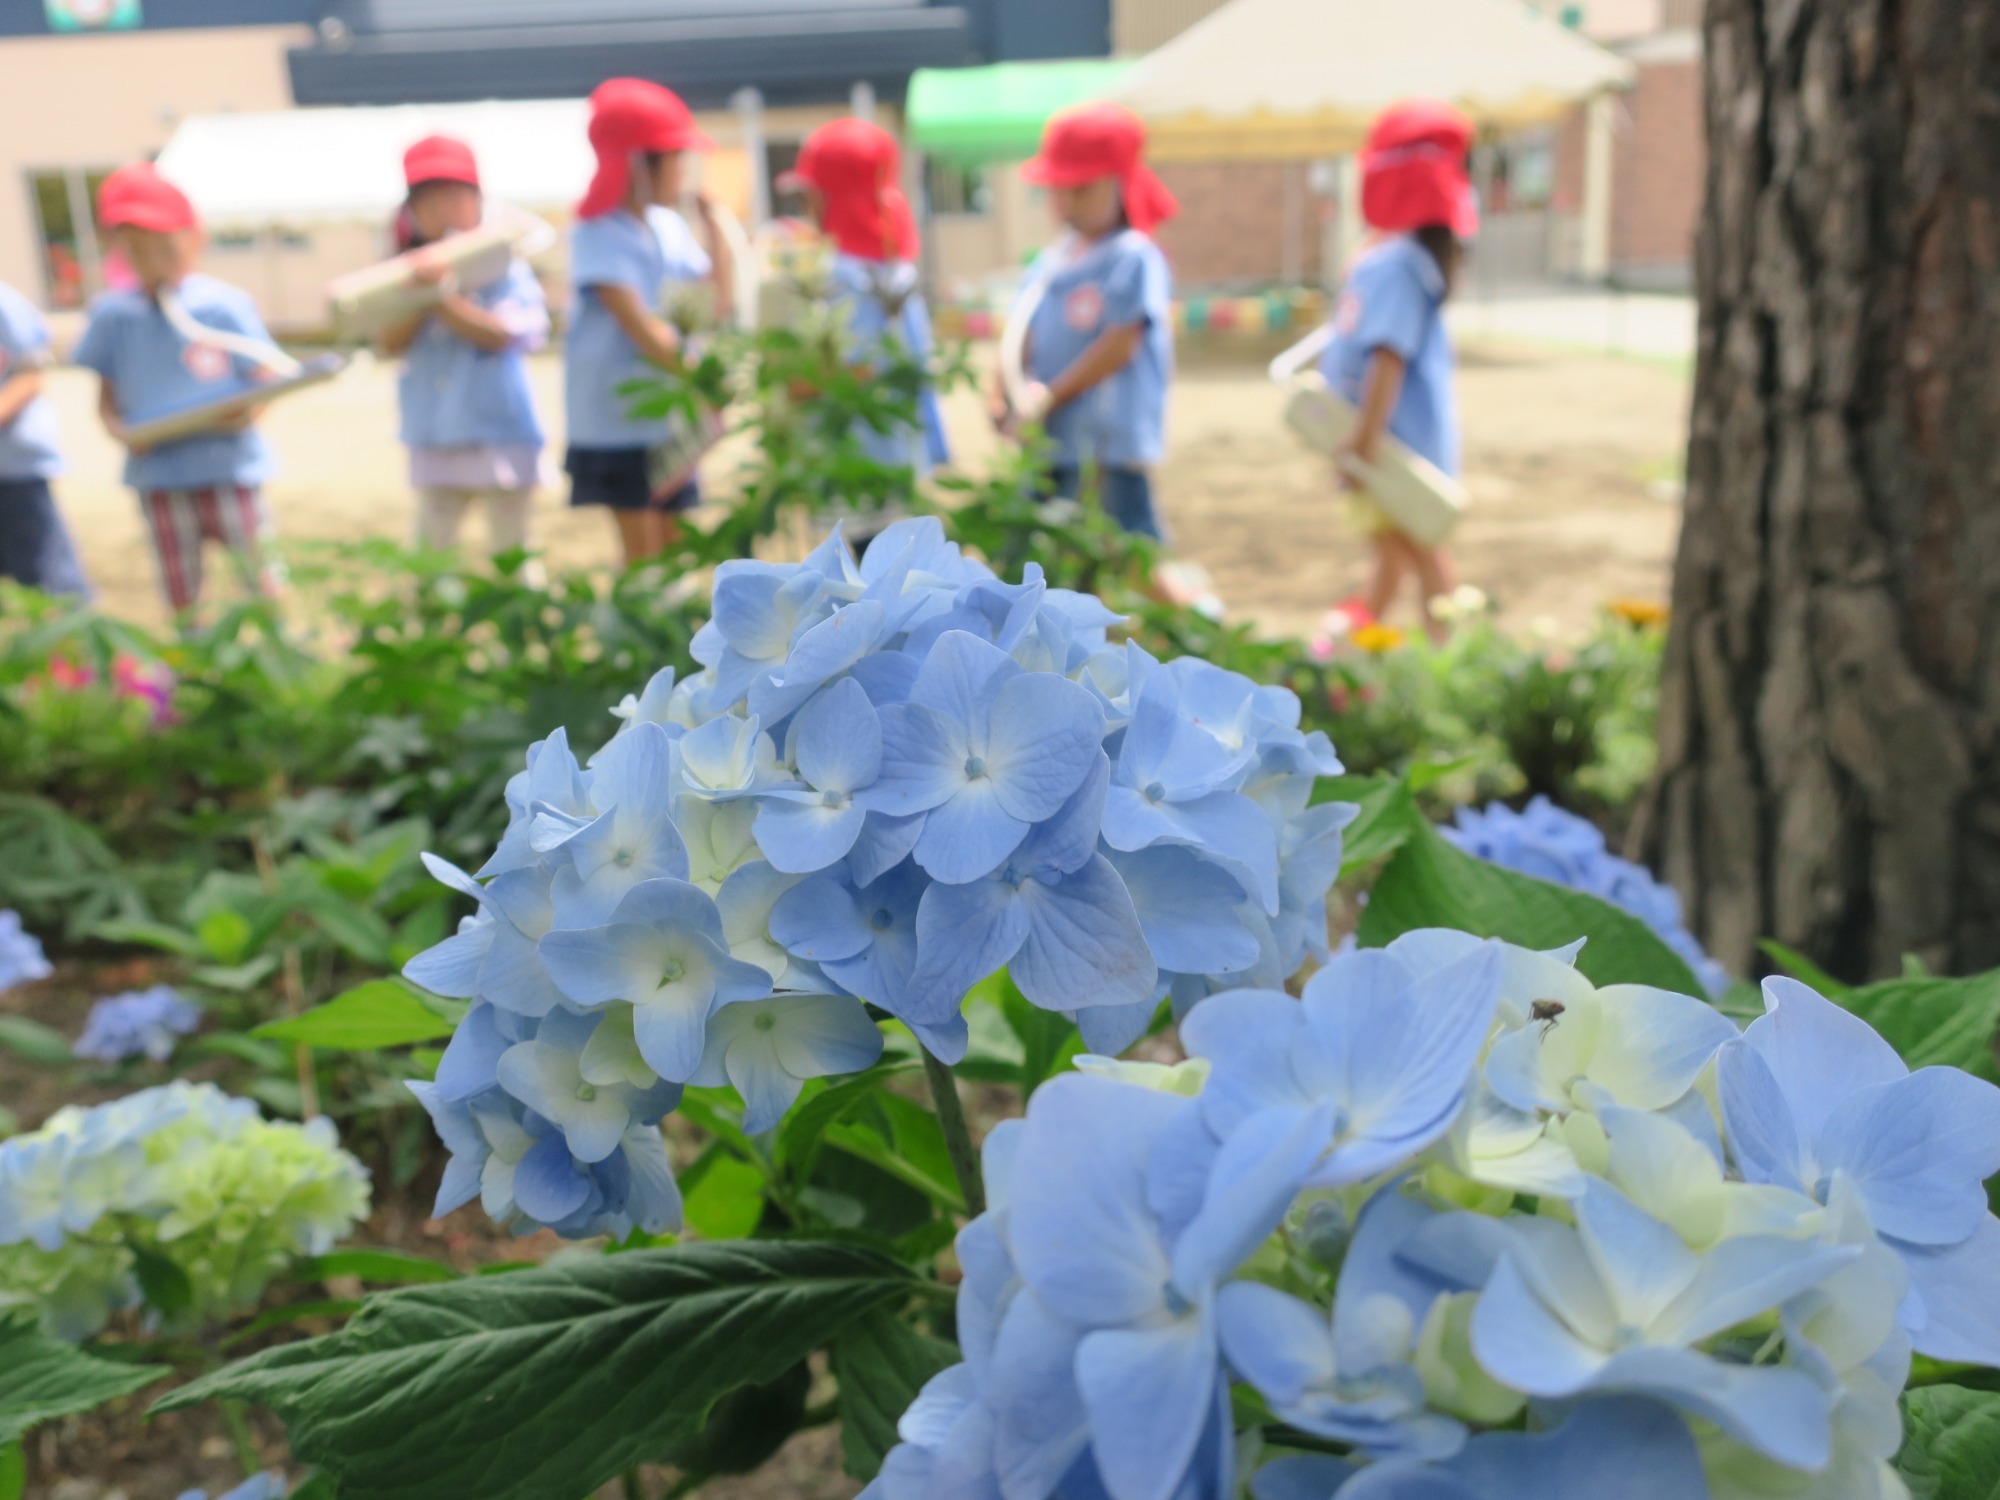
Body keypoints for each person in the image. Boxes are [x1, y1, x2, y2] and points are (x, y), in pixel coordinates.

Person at [73, 162, 284, 615]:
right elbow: (106, 392)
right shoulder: (112, 316)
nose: (150, 257)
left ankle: (277, 654)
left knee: (258, 575)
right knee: (181, 588)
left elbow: (264, 375)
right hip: (160, 476)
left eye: (162, 244)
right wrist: (119, 430)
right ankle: (194, 663)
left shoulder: (222, 306)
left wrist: (246, 414)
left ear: (193, 238)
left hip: (228, 469)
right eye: (136, 247)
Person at [1320, 100, 1477, 643]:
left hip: (1389, 441)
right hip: (1390, 437)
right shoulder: (1403, 258)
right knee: (1391, 547)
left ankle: (1450, 651)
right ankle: (1360, 632)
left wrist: (1362, 442)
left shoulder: (1396, 264)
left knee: (1415, 547)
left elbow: (1388, 357)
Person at [565, 77, 733, 568]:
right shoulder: (596, 231)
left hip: (668, 418)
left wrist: (718, 230)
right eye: (675, 157)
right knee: (642, 552)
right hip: (618, 423)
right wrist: (710, 381)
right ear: (638, 163)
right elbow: (643, 330)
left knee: (677, 545)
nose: (683, 170)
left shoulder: (670, 227)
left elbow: (712, 306)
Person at [377, 134, 550, 574]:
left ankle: (522, 633)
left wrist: (442, 297)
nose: (442, 209)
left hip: (499, 432)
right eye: (427, 199)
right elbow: (387, 342)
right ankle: (432, 636)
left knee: (513, 556)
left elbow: (507, 333)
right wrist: (418, 292)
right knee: (432, 556)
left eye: (454, 195)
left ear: (477, 200)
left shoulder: (505, 265)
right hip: (435, 433)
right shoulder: (402, 273)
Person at [1007, 102, 1178, 541]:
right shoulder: (1052, 259)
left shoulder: (1132, 255)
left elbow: (1121, 343)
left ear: (1120, 185)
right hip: (1052, 444)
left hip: (1106, 445)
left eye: (1080, 190)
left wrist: (1049, 396)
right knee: (1055, 554)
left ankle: (1197, 611)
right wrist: (1004, 395)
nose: (1065, 205)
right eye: (1057, 191)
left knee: (1129, 550)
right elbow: (1020, 333)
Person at [783, 116, 949, 478]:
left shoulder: (840, 276)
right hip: (902, 455)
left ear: (823, 196)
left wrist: (793, 382)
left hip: (856, 466)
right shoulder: (896, 267)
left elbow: (859, 367)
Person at [0, 279, 90, 598]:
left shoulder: (5, 303)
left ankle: (71, 645)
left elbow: (31, 373)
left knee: (48, 580)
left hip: (14, 469)